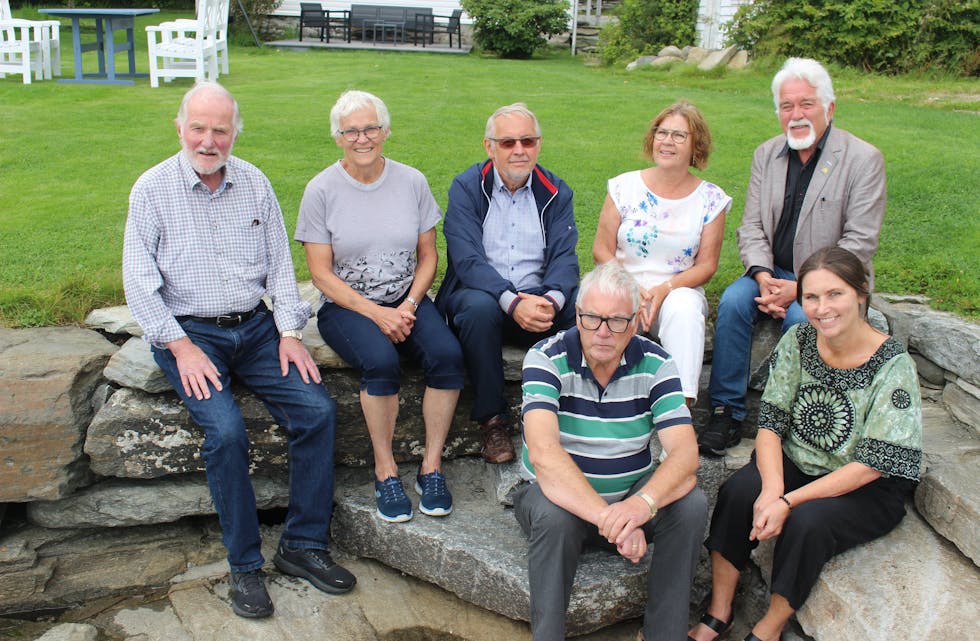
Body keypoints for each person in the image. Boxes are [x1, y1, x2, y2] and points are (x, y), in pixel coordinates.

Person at [122, 81, 355, 619]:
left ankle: (303, 546)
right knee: (225, 432)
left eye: (220, 130)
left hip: (255, 331)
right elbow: (138, 283)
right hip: (190, 332)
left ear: (234, 132)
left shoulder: (254, 183)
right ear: (179, 128)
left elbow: (280, 265)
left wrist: (290, 332)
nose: (209, 140)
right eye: (198, 128)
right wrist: (179, 347)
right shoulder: (152, 189)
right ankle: (245, 569)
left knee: (317, 410)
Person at [689, 246, 921, 641]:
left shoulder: (893, 364)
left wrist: (787, 503)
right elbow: (771, 424)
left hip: (866, 484)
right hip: (802, 460)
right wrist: (773, 489)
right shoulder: (799, 339)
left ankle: (767, 629)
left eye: (835, 294)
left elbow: (870, 465)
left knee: (807, 523)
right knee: (740, 492)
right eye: (811, 297)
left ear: (861, 294)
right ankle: (719, 612)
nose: (821, 308)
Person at [699, 57, 887, 457]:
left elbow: (860, 241)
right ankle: (725, 412)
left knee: (806, 316)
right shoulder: (766, 155)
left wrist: (801, 289)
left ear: (829, 108)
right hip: (773, 271)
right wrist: (764, 275)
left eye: (806, 104)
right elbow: (751, 226)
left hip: (832, 279)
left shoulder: (863, 159)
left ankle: (782, 419)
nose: (796, 114)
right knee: (733, 301)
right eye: (787, 106)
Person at [295, 90, 465, 524]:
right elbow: (320, 274)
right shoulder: (321, 190)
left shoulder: (412, 181)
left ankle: (431, 467)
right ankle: (385, 470)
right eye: (350, 130)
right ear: (338, 137)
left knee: (447, 356)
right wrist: (378, 314)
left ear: (385, 131)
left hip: (406, 300)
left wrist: (408, 304)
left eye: (370, 128)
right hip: (347, 307)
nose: (362, 137)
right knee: (381, 361)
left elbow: (429, 256)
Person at [515, 262, 707, 641]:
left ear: (635, 321)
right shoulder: (545, 358)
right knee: (554, 518)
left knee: (692, 504)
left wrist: (640, 507)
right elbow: (544, 453)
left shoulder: (658, 364)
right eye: (592, 319)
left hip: (628, 501)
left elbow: (685, 456)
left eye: (617, 321)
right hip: (556, 501)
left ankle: (664, 635)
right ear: (577, 315)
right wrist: (614, 521)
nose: (602, 332)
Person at [435, 103, 580, 464]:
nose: (519, 150)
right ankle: (492, 421)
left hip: (537, 299)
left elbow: (566, 258)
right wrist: (513, 303)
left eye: (527, 141)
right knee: (478, 309)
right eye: (508, 142)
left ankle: (576, 413)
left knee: (587, 310)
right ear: (489, 146)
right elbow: (467, 260)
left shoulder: (556, 191)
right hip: (484, 295)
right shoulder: (467, 187)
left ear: (539, 144)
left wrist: (551, 301)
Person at [593, 100, 730, 406]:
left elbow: (707, 265)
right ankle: (603, 406)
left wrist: (663, 290)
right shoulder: (623, 186)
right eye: (662, 132)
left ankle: (678, 411)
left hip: (675, 289)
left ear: (697, 145)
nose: (667, 141)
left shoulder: (711, 199)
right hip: (622, 282)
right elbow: (601, 249)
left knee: (685, 309)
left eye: (679, 135)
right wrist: (633, 289)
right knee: (607, 306)